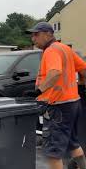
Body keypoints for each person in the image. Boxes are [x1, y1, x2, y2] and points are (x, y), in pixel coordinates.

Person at [27, 22, 86, 169]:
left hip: (58, 107)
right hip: (73, 104)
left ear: (48, 34)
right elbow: (84, 69)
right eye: (32, 35)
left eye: (36, 34)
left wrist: (39, 91)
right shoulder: (65, 48)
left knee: (53, 152)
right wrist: (81, 86)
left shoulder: (51, 50)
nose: (33, 39)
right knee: (73, 143)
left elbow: (55, 73)